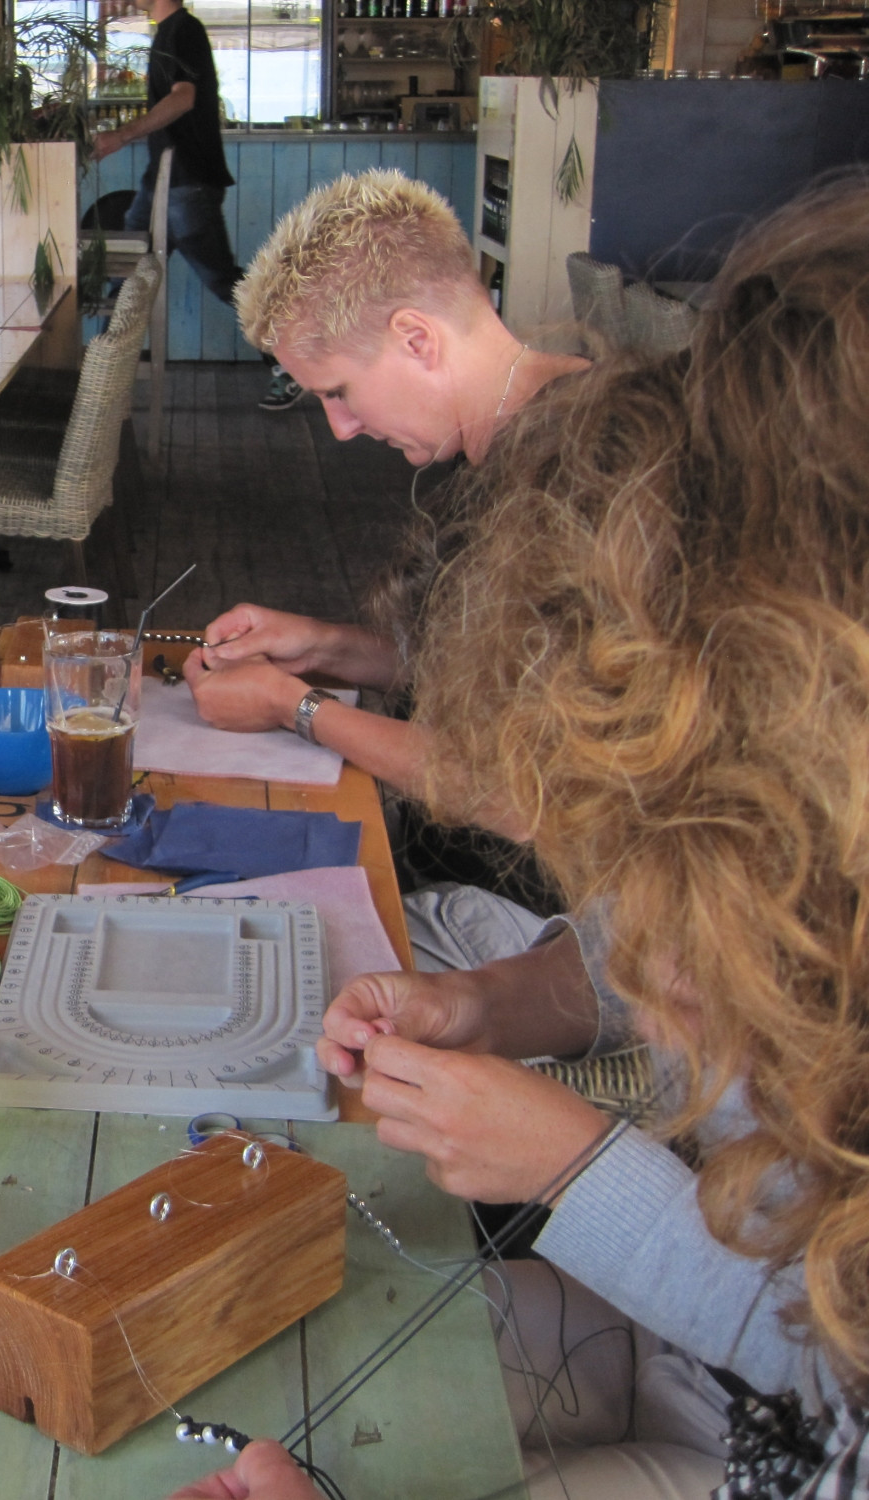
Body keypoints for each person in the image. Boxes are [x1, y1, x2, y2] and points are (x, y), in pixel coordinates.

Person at [172, 179, 869, 1500]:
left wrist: (575, 1164)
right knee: (249, 1364)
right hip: (682, 1341)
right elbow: (639, 943)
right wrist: (487, 1006)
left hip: (748, 1417)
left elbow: (823, 1373)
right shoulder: (777, 846)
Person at [182, 171, 586, 959]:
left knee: (215, 956)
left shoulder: (582, 480)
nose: (338, 429)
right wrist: (324, 647)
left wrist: (296, 707)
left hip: (544, 929)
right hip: (453, 869)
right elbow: (485, 678)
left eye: (339, 392)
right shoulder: (517, 432)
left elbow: (512, 790)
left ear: (417, 339)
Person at [89, 0, 245, 380]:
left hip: (188, 182)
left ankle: (292, 360)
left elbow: (184, 96)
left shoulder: (183, 29)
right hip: (162, 180)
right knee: (125, 277)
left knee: (224, 282)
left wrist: (123, 135)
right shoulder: (167, 31)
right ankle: (104, 376)